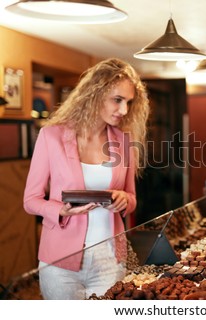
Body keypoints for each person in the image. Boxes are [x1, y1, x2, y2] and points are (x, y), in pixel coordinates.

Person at [23, 58, 150, 299]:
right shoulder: (52, 136)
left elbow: (132, 199)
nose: (124, 110)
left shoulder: (124, 142)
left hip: (110, 258)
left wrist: (124, 199)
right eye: (117, 100)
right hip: (59, 261)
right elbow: (31, 200)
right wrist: (61, 210)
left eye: (128, 102)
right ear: (95, 94)